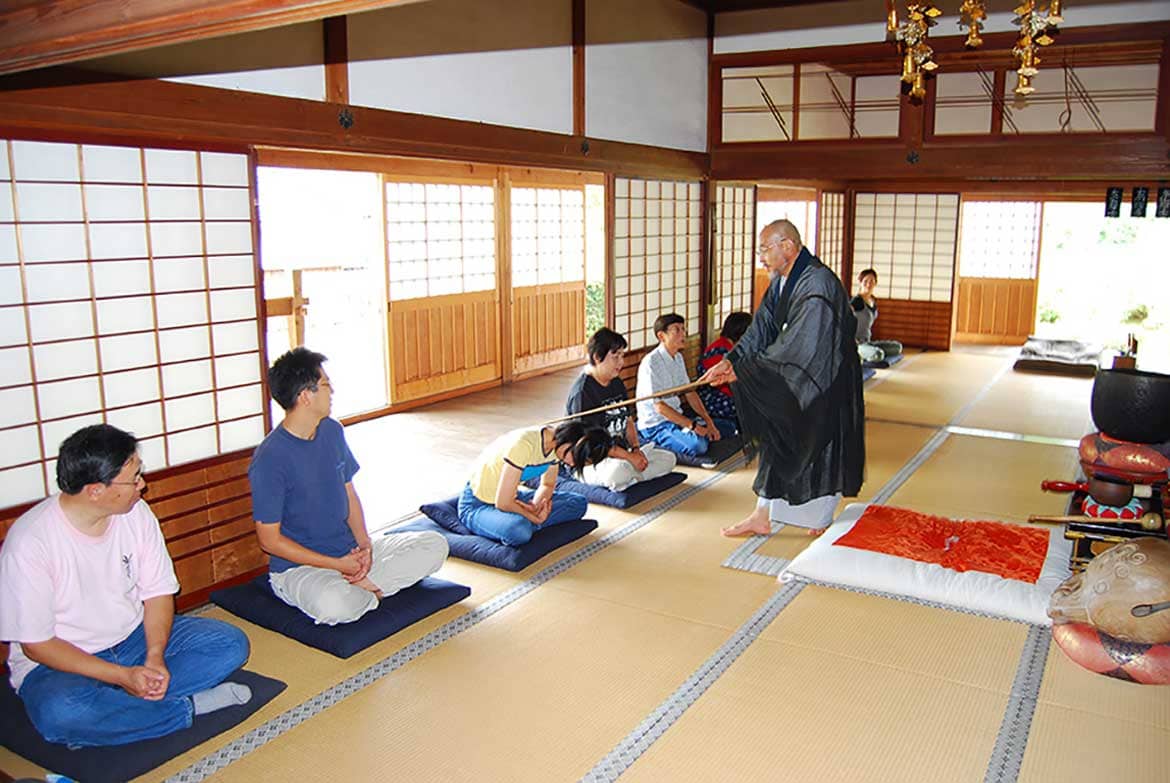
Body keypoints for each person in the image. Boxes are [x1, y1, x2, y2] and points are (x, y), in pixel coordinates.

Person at [0, 424, 252, 748]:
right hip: (64, 660)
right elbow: (37, 645)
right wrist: (120, 676)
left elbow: (158, 592)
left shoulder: (135, 514)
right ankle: (185, 708)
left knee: (229, 644)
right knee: (60, 712)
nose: (142, 485)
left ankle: (116, 707)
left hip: (132, 640)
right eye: (133, 479)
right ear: (95, 490)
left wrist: (155, 656)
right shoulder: (30, 542)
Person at [250, 348, 448, 626]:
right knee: (335, 604)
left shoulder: (332, 431)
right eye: (326, 385)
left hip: (349, 554)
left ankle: (361, 588)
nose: (332, 392)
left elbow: (349, 494)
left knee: (434, 544)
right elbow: (269, 541)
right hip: (303, 569)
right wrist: (337, 566)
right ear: (305, 396)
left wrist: (365, 547)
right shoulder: (270, 457)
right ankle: (369, 593)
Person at [702, 219, 865, 537]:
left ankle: (820, 518)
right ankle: (762, 513)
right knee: (778, 436)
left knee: (821, 444)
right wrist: (730, 359)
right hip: (800, 371)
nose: (760, 257)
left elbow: (803, 343)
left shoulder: (818, 283)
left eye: (765, 249)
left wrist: (748, 370)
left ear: (787, 247)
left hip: (826, 376)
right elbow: (761, 327)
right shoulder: (781, 280)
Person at [458, 421, 611, 546]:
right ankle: (520, 525)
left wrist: (537, 506)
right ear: (572, 440)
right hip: (479, 504)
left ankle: (521, 523)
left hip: (513, 497)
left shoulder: (557, 447)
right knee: (519, 531)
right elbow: (503, 503)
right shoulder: (524, 445)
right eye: (575, 458)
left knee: (578, 503)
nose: (571, 463)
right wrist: (534, 517)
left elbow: (548, 485)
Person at [564, 327, 677, 490]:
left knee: (668, 458)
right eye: (615, 356)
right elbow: (591, 443)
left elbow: (629, 420)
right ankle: (629, 476)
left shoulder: (616, 381)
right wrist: (630, 457)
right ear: (597, 357)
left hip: (623, 454)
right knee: (617, 472)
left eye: (622, 356)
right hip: (592, 461)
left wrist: (636, 450)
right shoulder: (583, 392)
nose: (621, 362)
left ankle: (630, 477)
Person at [635, 313, 733, 460]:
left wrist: (708, 422)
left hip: (678, 418)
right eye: (677, 330)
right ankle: (651, 441)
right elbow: (659, 407)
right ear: (661, 336)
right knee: (699, 445)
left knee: (728, 427)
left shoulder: (678, 358)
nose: (683, 334)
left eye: (684, 329)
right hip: (657, 424)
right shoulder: (651, 362)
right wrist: (693, 426)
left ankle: (691, 434)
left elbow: (690, 392)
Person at [696, 312, 751, 430]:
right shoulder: (718, 351)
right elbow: (724, 385)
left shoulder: (732, 348)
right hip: (715, 399)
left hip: (728, 394)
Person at [852, 268, 903, 364]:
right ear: (860, 282)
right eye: (865, 281)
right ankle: (860, 355)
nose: (868, 284)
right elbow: (844, 318)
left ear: (875, 283)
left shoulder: (873, 301)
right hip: (856, 344)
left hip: (868, 342)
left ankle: (867, 352)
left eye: (872, 281)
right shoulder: (856, 301)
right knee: (878, 355)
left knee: (897, 347)